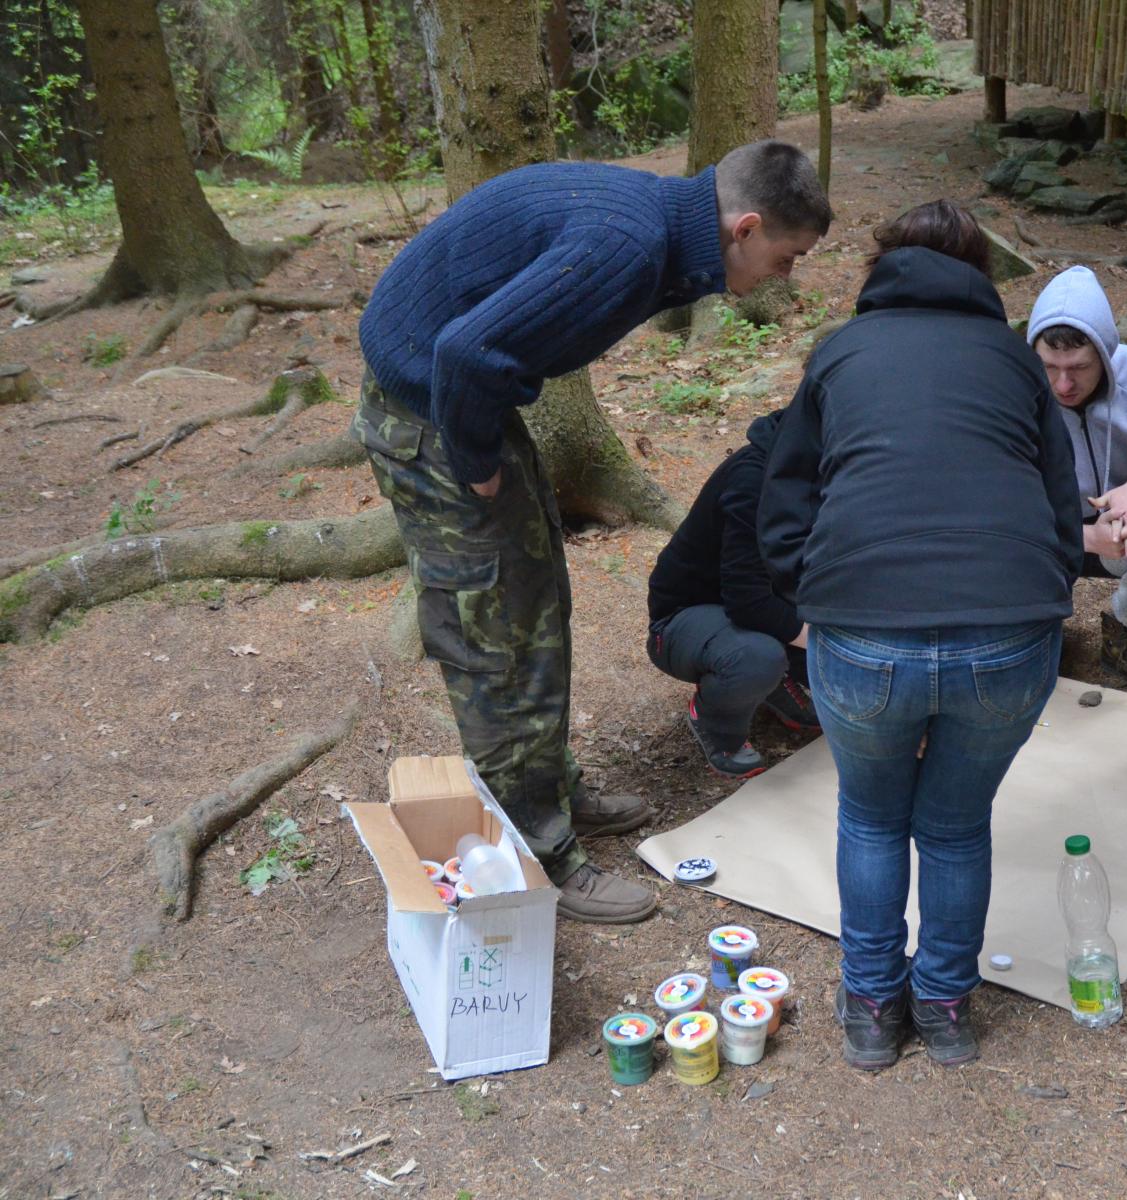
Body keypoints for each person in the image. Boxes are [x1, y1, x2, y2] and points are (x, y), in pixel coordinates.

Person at [355, 141, 833, 923]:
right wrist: (475, 463)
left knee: (538, 606)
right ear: (745, 228)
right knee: (495, 637)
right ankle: (536, 854)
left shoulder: (659, 233)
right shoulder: (629, 245)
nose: (785, 277)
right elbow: (464, 353)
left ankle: (550, 789)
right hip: (431, 414)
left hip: (462, 404)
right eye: (787, 258)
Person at [760, 201, 1083, 1070]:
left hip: (863, 627)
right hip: (1006, 632)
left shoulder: (841, 353)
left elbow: (783, 495)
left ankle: (872, 1006)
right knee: (955, 824)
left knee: (871, 817)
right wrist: (1045, 589)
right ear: (978, 271)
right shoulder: (1012, 361)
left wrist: (808, 596)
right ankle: (942, 1004)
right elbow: (1060, 501)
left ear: (882, 266)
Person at [646, 411, 817, 779]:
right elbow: (747, 600)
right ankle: (717, 724)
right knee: (758, 658)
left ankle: (776, 683)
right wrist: (828, 645)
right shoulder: (754, 480)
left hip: (767, 608)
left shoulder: (824, 472)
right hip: (686, 618)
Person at [1027, 267, 1127, 635]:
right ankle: (1032, 636)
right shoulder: (1014, 388)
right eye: (1049, 367)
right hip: (1043, 533)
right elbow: (993, 503)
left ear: (1105, 353)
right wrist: (1082, 537)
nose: (1063, 385)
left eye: (1079, 367)